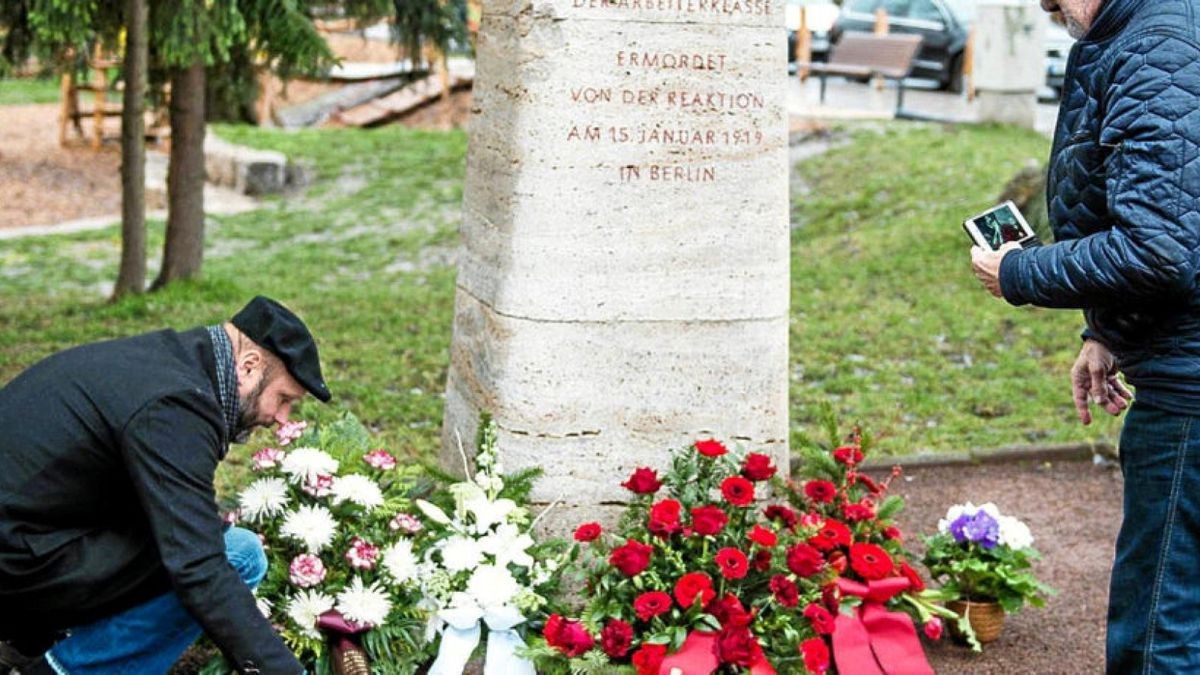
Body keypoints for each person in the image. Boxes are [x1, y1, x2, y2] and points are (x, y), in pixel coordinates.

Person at [970, 0, 1200, 671]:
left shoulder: (1156, 47)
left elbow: (1158, 249)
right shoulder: (1161, 31)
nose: (1046, 4)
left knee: (1160, 620)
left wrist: (1018, 269)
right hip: (1178, 357)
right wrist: (1103, 331)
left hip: (1188, 393)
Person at [0, 296, 332, 674]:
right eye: (283, 399)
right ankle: (68, 668)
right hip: (18, 557)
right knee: (236, 554)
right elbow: (199, 565)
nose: (281, 418)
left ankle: (34, 640)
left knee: (202, 536)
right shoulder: (178, 405)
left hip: (31, 533)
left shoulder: (167, 362)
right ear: (249, 365)